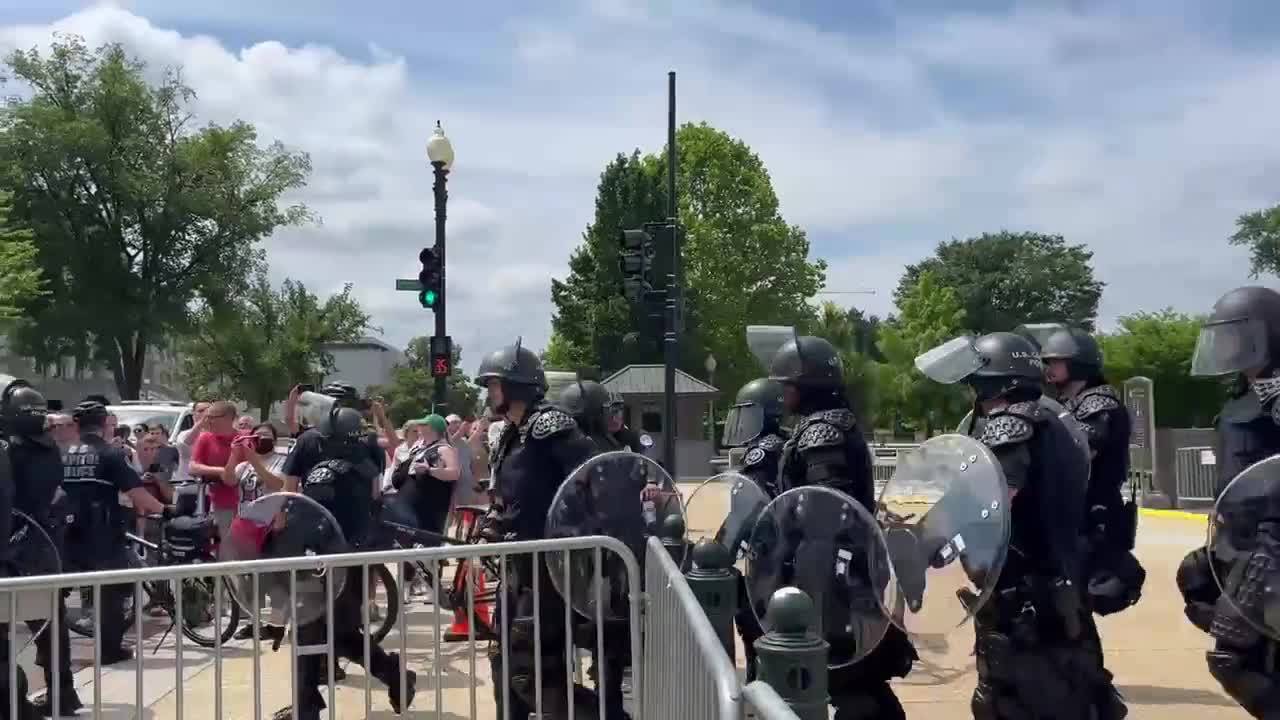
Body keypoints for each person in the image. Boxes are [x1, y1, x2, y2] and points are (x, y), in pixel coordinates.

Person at [917, 331, 1114, 719]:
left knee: (1016, 700)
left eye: (975, 382)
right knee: (1063, 689)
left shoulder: (1012, 422)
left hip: (1025, 587)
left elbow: (992, 502)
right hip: (1050, 579)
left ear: (994, 381)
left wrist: (934, 533)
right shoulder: (1047, 415)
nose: (971, 391)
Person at [768, 335, 916, 719]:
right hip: (837, 564)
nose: (783, 394)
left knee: (845, 673)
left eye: (788, 386)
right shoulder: (831, 423)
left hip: (829, 568)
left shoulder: (822, 431)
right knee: (854, 675)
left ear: (807, 387)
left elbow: (828, 505)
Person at [255, 382, 414, 719]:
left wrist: (283, 531)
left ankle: (314, 702)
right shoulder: (364, 440)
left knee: (326, 628)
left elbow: (289, 492)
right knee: (325, 627)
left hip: (321, 545)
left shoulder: (310, 440)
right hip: (348, 545)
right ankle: (311, 704)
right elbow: (374, 492)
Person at [473, 339, 600, 719]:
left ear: (516, 385)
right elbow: (514, 495)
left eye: (494, 384)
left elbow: (591, 477)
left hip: (548, 568)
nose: (489, 391)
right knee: (503, 661)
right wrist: (495, 520)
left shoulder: (549, 424)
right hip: (518, 565)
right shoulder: (513, 431)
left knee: (530, 669)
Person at [1178, 286, 1280, 716]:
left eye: (1239, 334)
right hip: (1237, 542)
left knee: (1233, 658)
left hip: (1271, 545)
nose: (1229, 344)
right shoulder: (1244, 396)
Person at [60, 400, 167, 666]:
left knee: (55, 592)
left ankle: (55, 652)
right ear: (104, 424)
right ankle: (109, 650)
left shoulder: (63, 452)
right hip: (102, 532)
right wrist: (167, 509)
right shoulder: (109, 454)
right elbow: (137, 493)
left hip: (65, 531)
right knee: (114, 592)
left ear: (77, 424)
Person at [1, 380, 76, 716]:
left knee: (3, 632)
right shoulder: (50, 450)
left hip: (14, 548)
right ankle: (63, 693)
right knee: (52, 629)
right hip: (44, 547)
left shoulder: (9, 451)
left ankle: (11, 700)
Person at [721, 377, 788, 682]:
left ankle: (757, 686)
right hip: (782, 553)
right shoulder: (785, 443)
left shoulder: (763, 452)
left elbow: (747, 509)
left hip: (764, 556)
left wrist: (722, 550)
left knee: (753, 627)